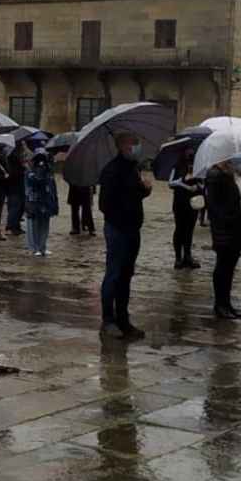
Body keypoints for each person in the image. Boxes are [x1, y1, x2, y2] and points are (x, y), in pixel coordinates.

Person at [97, 134, 149, 339]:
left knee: (126, 275)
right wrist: (126, 208)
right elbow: (105, 205)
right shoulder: (111, 170)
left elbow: (134, 194)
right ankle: (108, 321)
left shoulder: (133, 168)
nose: (136, 146)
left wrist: (144, 191)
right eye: (133, 143)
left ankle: (123, 319)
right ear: (122, 146)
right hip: (118, 229)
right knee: (114, 274)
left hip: (133, 228)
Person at [204, 160, 241, 319]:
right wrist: (228, 220)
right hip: (225, 229)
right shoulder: (216, 175)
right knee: (223, 267)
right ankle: (220, 305)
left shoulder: (232, 173)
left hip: (236, 227)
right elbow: (215, 205)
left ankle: (227, 303)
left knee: (229, 267)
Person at [168, 153, 202, 270]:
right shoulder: (176, 167)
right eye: (187, 151)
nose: (189, 153)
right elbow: (170, 183)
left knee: (189, 230)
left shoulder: (198, 166)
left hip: (193, 203)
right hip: (180, 203)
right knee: (179, 229)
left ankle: (188, 256)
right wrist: (183, 183)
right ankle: (178, 258)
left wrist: (198, 186)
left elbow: (203, 184)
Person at [23, 150, 58, 257]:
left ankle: (43, 246)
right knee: (33, 225)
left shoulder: (49, 172)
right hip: (33, 202)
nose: (42, 162)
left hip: (46, 201)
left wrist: (54, 202)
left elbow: (53, 187)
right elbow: (35, 182)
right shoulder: (30, 173)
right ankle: (34, 248)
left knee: (45, 225)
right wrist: (40, 172)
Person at [4, 143, 27, 236]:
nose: (23, 147)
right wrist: (23, 169)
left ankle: (16, 226)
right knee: (15, 207)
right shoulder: (12, 158)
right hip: (14, 187)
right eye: (21, 145)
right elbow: (13, 173)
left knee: (20, 207)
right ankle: (11, 226)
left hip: (19, 186)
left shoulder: (16, 158)